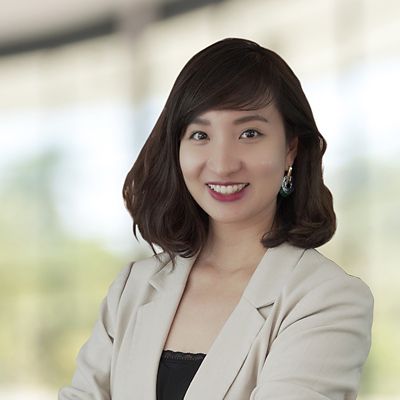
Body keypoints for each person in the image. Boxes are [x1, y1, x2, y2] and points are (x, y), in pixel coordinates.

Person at [59, 38, 374, 400]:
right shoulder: (133, 287)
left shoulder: (327, 297)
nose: (223, 164)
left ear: (291, 148)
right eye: (200, 135)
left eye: (249, 133)